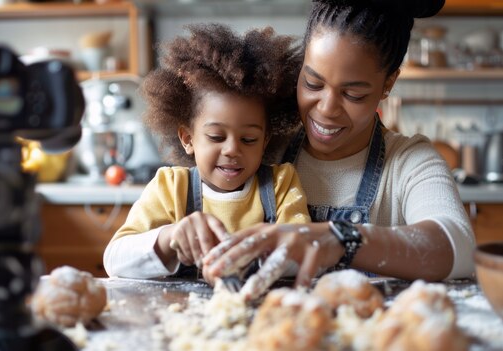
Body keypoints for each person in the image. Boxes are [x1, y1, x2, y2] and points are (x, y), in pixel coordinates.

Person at [203, 0, 475, 298]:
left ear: (388, 84)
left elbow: (458, 246)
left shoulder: (409, 162)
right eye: (312, 83)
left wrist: (341, 239)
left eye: (353, 94)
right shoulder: (261, 150)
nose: (327, 109)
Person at [103, 24, 310, 279]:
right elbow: (114, 261)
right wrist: (170, 237)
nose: (232, 149)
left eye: (248, 139)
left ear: (265, 140)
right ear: (188, 138)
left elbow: (308, 254)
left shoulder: (280, 184)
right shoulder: (171, 188)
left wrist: (254, 248)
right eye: (216, 137)